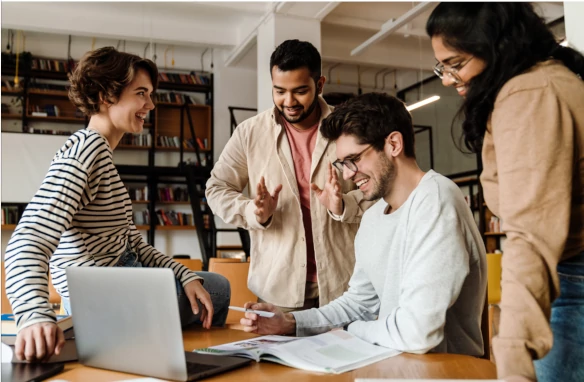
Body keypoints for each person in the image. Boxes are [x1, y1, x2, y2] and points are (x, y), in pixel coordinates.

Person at [3, 47, 230, 362]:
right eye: (141, 93)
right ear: (105, 95)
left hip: (122, 282)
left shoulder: (101, 156)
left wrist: (184, 273)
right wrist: (33, 314)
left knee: (203, 282)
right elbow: (27, 240)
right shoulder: (85, 153)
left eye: (149, 94)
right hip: (108, 299)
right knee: (218, 289)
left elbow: (133, 244)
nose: (150, 104)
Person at [240, 93, 487, 357]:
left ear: (393, 144)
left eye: (354, 159)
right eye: (342, 163)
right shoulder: (373, 216)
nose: (347, 174)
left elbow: (417, 333)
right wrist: (290, 322)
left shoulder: (436, 200)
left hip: (444, 372)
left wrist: (351, 330)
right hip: (392, 363)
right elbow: (359, 304)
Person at [426, 3, 584, 381]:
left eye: (456, 63)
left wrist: (512, 360)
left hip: (572, 281)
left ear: (496, 47)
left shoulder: (528, 94)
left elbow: (530, 237)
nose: (447, 79)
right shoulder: (548, 78)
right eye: (442, 67)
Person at [206, 40, 370, 312]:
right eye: (279, 91)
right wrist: (254, 212)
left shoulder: (348, 128)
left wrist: (345, 205)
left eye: (300, 91)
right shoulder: (250, 133)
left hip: (345, 287)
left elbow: (379, 190)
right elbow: (216, 189)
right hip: (278, 292)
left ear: (320, 85)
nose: (289, 102)